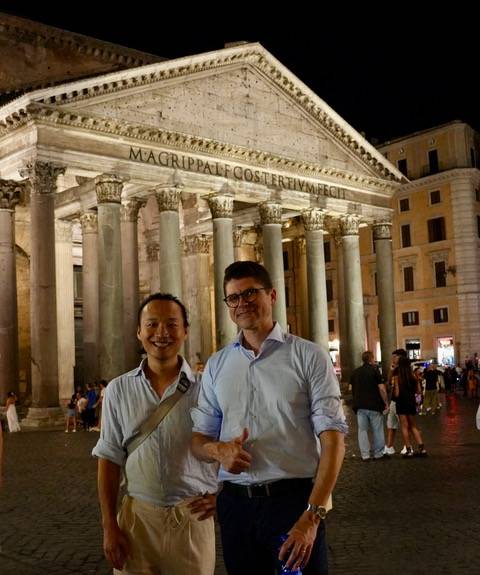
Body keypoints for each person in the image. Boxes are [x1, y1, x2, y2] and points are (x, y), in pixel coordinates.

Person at [191, 261, 348, 575]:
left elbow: (333, 441)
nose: (242, 303)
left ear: (272, 295)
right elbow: (198, 439)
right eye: (233, 297)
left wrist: (311, 516)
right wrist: (217, 451)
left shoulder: (308, 355)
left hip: (291, 503)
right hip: (236, 505)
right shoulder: (217, 364)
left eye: (250, 292)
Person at [92, 293, 218, 575]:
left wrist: (222, 495)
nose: (161, 333)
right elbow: (108, 460)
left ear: (185, 331)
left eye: (172, 324)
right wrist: (109, 525)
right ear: (139, 332)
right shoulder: (117, 390)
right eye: (152, 324)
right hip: (137, 520)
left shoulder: (208, 389)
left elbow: (229, 448)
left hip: (192, 518)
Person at [350, 350, 389, 461]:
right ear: (371, 358)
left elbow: (351, 388)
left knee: (362, 430)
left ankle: (365, 455)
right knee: (377, 430)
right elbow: (381, 389)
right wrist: (385, 402)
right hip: (374, 405)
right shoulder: (375, 371)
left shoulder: (355, 372)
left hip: (360, 405)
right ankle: (378, 454)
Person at [392, 356, 427, 457]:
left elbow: (397, 393)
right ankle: (422, 448)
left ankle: (409, 449)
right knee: (413, 426)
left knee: (404, 426)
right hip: (411, 401)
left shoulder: (397, 377)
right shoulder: (413, 376)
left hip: (401, 402)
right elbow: (419, 391)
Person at [384, 349, 407, 455]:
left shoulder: (405, 370)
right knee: (391, 424)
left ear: (401, 357)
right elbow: (388, 382)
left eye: (395, 357)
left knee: (405, 425)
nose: (392, 359)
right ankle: (389, 446)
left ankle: (407, 446)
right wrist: (391, 370)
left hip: (403, 401)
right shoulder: (395, 369)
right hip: (394, 400)